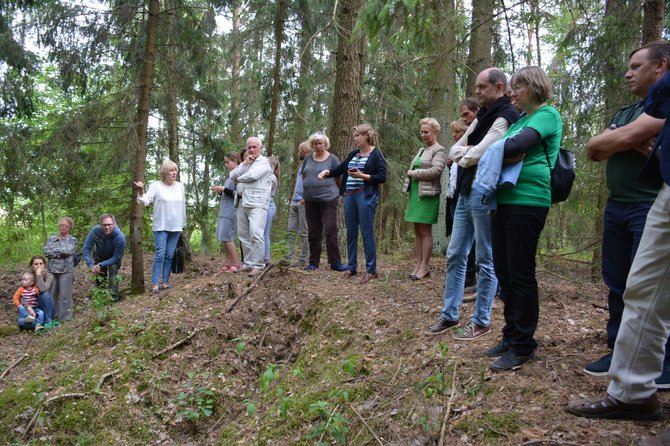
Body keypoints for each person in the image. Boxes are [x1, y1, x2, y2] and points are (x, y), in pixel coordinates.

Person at [566, 44, 670, 421]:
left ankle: (661, 364)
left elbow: (621, 141)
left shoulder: (658, 106)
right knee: (621, 282)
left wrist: (625, 137)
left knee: (652, 286)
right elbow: (594, 148)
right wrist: (626, 137)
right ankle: (620, 356)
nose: (628, 74)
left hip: (647, 203)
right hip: (619, 205)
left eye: (636, 66)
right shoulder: (628, 110)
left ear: (661, 66)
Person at [425, 68, 519, 339]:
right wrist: (467, 154)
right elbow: (457, 150)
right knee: (455, 254)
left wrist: (466, 154)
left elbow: (480, 152)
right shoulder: (483, 116)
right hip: (466, 191)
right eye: (476, 87)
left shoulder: (506, 116)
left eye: (482, 87)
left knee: (485, 258)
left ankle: (481, 320)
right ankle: (449, 314)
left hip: (484, 192)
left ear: (499, 87)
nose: (476, 91)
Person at [481, 66, 562, 371]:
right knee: (504, 270)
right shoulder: (523, 120)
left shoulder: (547, 115)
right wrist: (504, 151)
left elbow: (513, 147)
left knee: (521, 273)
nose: (512, 93)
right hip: (504, 200)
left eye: (517, 87)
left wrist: (502, 151)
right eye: (511, 87)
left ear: (534, 86)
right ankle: (510, 334)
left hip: (528, 201)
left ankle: (523, 345)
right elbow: (507, 149)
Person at [318, 124, 387, 283]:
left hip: (366, 196)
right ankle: (352, 267)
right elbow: (341, 169)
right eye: (354, 135)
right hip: (349, 196)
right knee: (351, 232)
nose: (355, 138)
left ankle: (371, 270)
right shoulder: (353, 154)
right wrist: (327, 172)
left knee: (366, 232)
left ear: (366, 136)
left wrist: (362, 176)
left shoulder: (377, 155)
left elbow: (382, 177)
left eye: (357, 135)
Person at [403, 118, 448, 280]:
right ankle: (418, 264)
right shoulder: (422, 150)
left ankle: (424, 267)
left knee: (425, 230)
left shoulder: (440, 150)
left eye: (426, 132)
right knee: (417, 230)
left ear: (435, 132)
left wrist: (414, 174)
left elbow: (436, 170)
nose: (423, 135)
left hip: (428, 195)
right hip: (416, 193)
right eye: (421, 132)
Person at [133, 159, 186, 293]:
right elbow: (145, 201)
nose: (174, 173)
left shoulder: (180, 186)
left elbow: (182, 206)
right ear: (164, 173)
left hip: (175, 226)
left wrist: (182, 224)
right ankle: (155, 284)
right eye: (171, 170)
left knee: (169, 255)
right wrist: (140, 190)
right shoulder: (156, 186)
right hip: (161, 225)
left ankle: (165, 282)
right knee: (160, 254)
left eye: (175, 170)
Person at [302, 132, 347, 272]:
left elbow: (338, 176)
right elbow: (303, 175)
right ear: (312, 145)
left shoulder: (333, 159)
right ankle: (313, 262)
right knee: (313, 231)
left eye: (321, 143)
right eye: (315, 143)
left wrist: (337, 192)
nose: (318, 146)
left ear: (325, 144)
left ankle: (335, 262)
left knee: (330, 229)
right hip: (310, 200)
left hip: (328, 199)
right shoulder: (308, 158)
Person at [228, 137, 273, 276]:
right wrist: (243, 165)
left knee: (256, 233)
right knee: (243, 234)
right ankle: (248, 263)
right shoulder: (246, 163)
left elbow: (252, 176)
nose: (251, 150)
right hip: (242, 201)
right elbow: (231, 175)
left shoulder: (264, 162)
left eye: (254, 147)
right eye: (249, 147)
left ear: (260, 148)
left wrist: (239, 177)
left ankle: (259, 264)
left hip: (258, 203)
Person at [451, 99, 481, 295]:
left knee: (480, 246)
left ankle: (475, 281)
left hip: (477, 191)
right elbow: (455, 154)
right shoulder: (470, 134)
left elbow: (472, 157)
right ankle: (462, 282)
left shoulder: (486, 129)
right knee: (457, 249)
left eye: (466, 115)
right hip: (459, 192)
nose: (464, 119)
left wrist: (465, 154)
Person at [82, 214, 126, 301]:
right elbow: (86, 248)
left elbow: (117, 257)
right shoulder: (95, 231)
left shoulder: (120, 237)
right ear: (100, 225)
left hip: (113, 258)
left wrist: (101, 264)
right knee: (100, 276)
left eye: (109, 224)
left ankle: (113, 298)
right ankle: (100, 295)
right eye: (104, 225)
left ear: (114, 224)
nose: (107, 227)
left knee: (113, 273)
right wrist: (91, 265)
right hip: (100, 255)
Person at [282, 141, 311, 268]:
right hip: (295, 202)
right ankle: (287, 258)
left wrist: (305, 198)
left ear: (304, 151)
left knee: (304, 231)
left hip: (303, 202)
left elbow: (313, 183)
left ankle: (304, 259)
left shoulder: (311, 164)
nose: (298, 153)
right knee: (291, 231)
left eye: (299, 150)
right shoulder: (302, 164)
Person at [44, 217, 77, 321]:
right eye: (62, 225)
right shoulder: (52, 238)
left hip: (66, 271)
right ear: (59, 226)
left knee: (65, 295)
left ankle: (65, 318)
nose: (64, 227)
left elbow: (68, 251)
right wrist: (60, 253)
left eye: (66, 226)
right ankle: (54, 315)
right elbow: (46, 251)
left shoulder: (73, 240)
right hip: (52, 270)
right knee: (52, 293)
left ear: (70, 227)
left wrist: (54, 252)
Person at [212, 152, 241, 272]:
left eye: (228, 162)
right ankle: (228, 262)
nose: (226, 165)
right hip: (224, 208)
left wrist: (224, 189)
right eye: (225, 162)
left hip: (231, 210)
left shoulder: (239, 176)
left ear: (235, 162)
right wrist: (220, 191)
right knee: (224, 236)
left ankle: (235, 263)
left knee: (228, 236)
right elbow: (228, 192)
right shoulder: (229, 176)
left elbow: (238, 194)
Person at [28, 255, 57, 327]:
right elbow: (21, 294)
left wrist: (38, 275)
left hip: (47, 308)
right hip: (33, 308)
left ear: (44, 265)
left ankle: (48, 320)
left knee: (44, 294)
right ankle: (39, 323)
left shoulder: (49, 276)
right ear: (31, 266)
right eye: (36, 264)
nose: (39, 266)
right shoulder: (28, 277)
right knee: (22, 323)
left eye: (41, 263)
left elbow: (42, 289)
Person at [263, 156, 280, 264]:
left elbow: (266, 190)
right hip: (263, 207)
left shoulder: (272, 177)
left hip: (269, 207)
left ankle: (266, 258)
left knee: (265, 233)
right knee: (260, 233)